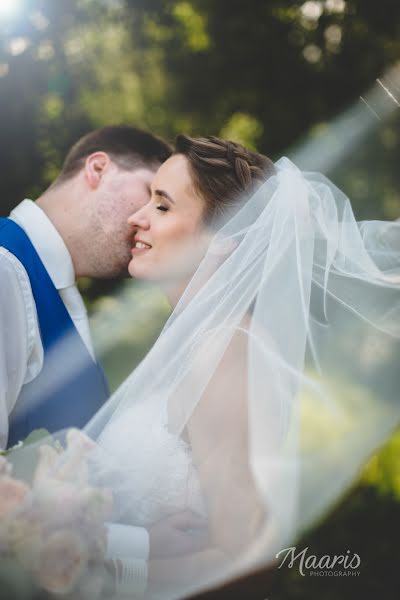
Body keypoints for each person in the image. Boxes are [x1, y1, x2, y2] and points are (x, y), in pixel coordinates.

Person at [85, 134, 400, 598]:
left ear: (225, 241)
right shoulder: (196, 339)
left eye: (163, 206)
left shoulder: (225, 351)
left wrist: (88, 577)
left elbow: (247, 562)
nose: (137, 218)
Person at [0, 124, 171, 450]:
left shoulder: (57, 287)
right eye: (151, 194)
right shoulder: (5, 266)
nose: (150, 220)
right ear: (98, 169)